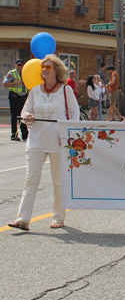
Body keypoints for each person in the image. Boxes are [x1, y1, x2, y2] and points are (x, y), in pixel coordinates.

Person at [7, 55, 79, 231]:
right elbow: (25, 111)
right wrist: (27, 117)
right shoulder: (35, 90)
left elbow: (75, 115)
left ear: (56, 70)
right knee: (31, 179)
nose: (44, 70)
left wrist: (68, 138)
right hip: (36, 140)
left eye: (48, 67)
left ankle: (58, 217)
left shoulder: (65, 90)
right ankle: (22, 219)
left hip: (59, 142)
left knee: (58, 181)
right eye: (42, 67)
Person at [3, 59, 28, 141]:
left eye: (21, 65)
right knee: (14, 116)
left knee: (23, 116)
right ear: (15, 65)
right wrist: (15, 83)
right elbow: (5, 83)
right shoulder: (12, 73)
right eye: (18, 65)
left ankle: (25, 135)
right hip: (15, 97)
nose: (20, 66)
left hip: (24, 97)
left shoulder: (26, 72)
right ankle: (14, 134)